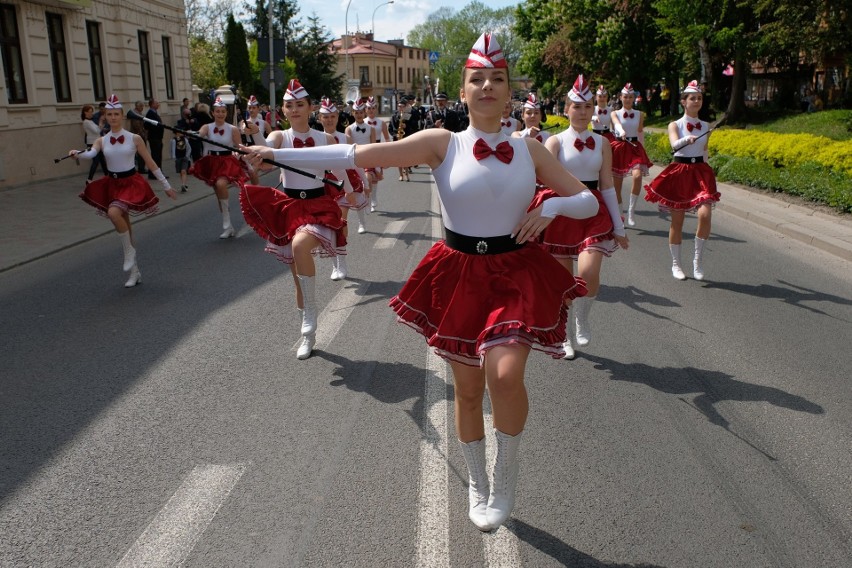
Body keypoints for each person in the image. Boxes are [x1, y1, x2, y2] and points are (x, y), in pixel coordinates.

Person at [242, 32, 599, 532]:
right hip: (459, 273)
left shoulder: (530, 149)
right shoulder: (442, 143)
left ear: (509, 89)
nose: (488, 86)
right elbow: (354, 156)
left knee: (504, 374)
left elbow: (586, 200)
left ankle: (506, 474)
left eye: (498, 79)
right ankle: (477, 481)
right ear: (464, 89)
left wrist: (553, 206)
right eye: (478, 79)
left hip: (514, 271)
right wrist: (273, 154)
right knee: (469, 391)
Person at [239, 79, 355, 360]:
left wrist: (350, 193)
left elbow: (339, 171)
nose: (294, 110)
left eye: (299, 105)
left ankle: (311, 317)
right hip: (289, 205)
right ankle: (308, 333)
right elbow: (262, 151)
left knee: (300, 246)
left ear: (310, 107)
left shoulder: (324, 138)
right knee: (295, 274)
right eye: (289, 105)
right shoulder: (279, 137)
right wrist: (254, 134)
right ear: (283, 109)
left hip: (316, 204)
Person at [537, 75, 628, 359]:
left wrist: (619, 225)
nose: (582, 111)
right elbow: (542, 184)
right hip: (564, 209)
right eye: (576, 106)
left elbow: (608, 185)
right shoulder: (554, 142)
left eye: (587, 106)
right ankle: (564, 334)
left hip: (593, 210)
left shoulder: (602, 143)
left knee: (588, 275)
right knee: (564, 282)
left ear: (593, 110)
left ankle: (582, 318)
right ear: (566, 109)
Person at [69, 94, 177, 287]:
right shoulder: (102, 140)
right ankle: (135, 272)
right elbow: (91, 153)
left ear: (122, 116)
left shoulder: (134, 138)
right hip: (113, 184)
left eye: (116, 114)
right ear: (106, 116)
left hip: (131, 183)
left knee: (113, 212)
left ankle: (129, 253)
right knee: (125, 227)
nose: (113, 117)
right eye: (109, 114)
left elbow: (151, 163)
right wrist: (77, 153)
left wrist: (166, 185)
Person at [644, 80, 721, 280]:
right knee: (677, 221)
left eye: (699, 98)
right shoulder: (675, 124)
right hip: (680, 171)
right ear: (684, 102)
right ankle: (676, 264)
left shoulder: (705, 126)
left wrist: (710, 173)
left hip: (700, 172)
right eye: (692, 98)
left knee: (705, 215)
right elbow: (674, 146)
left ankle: (697, 261)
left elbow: (704, 152)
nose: (696, 101)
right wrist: (687, 139)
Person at [319, 98, 368, 280]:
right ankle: (334, 263)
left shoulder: (345, 138)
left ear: (338, 117)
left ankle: (341, 262)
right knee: (328, 223)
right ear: (320, 118)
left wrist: (366, 182)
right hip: (323, 185)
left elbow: (355, 163)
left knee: (340, 220)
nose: (330, 120)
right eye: (326, 117)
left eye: (332, 116)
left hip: (344, 182)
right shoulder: (316, 138)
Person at [188, 97, 249, 238]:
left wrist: (245, 156)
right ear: (213, 113)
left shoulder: (232, 129)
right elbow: (200, 134)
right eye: (217, 111)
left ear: (226, 113)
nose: (220, 114)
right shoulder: (207, 127)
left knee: (221, 184)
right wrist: (194, 134)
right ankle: (229, 226)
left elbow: (239, 146)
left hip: (227, 162)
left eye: (223, 111)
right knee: (219, 194)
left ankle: (227, 225)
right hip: (212, 162)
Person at [609, 82, 654, 227]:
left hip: (634, 147)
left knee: (637, 175)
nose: (628, 99)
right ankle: (620, 214)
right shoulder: (614, 113)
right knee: (617, 187)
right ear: (621, 98)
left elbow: (640, 132)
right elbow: (616, 123)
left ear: (634, 98)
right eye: (625, 97)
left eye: (630, 97)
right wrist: (621, 131)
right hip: (619, 147)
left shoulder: (640, 114)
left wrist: (644, 149)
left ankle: (631, 210)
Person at [343, 97, 375, 235]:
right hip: (354, 161)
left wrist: (377, 164)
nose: (359, 115)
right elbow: (348, 147)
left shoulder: (370, 128)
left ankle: (368, 199)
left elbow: (374, 146)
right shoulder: (348, 129)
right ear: (352, 113)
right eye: (356, 112)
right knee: (356, 192)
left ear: (364, 112)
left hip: (367, 158)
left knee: (367, 179)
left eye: (361, 112)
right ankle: (362, 223)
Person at [365, 96, 391, 212]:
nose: (371, 110)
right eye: (369, 108)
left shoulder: (381, 123)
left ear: (376, 109)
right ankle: (368, 200)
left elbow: (387, 138)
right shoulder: (362, 122)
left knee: (375, 176)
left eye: (373, 108)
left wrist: (387, 155)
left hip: (377, 149)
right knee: (366, 177)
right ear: (365, 109)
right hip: (364, 150)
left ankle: (373, 198)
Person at [240, 95, 270, 185]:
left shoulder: (264, 123)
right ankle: (254, 190)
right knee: (249, 173)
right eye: (250, 108)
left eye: (254, 108)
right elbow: (242, 135)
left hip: (260, 151)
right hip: (248, 150)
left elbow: (271, 135)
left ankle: (256, 191)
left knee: (252, 171)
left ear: (258, 109)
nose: (251, 110)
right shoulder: (243, 122)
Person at [81, 104, 107, 183]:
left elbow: (99, 129)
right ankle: (89, 179)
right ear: (85, 113)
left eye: (92, 112)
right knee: (96, 161)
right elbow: (97, 131)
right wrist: (101, 121)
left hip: (97, 142)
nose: (91, 113)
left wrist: (101, 123)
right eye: (89, 112)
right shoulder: (86, 122)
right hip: (92, 143)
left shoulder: (90, 121)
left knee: (102, 160)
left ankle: (108, 176)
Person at [144, 98, 166, 180]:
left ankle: (158, 172)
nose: (158, 104)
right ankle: (154, 173)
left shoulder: (154, 113)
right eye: (156, 103)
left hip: (158, 137)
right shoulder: (150, 113)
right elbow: (147, 125)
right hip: (154, 138)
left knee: (158, 156)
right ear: (152, 104)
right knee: (155, 156)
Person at [171, 111, 191, 193]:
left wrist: (187, 156)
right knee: (181, 172)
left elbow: (189, 148)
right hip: (178, 157)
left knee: (184, 171)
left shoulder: (185, 139)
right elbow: (172, 149)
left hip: (184, 157)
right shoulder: (173, 140)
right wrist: (174, 157)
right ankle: (183, 183)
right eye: (179, 132)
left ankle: (183, 184)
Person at [127, 101, 148, 174]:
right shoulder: (135, 114)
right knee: (141, 152)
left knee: (139, 153)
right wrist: (143, 134)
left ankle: (141, 167)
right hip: (138, 135)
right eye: (141, 106)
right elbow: (137, 126)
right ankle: (141, 168)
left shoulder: (138, 113)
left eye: (142, 106)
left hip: (138, 135)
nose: (142, 108)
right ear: (137, 106)